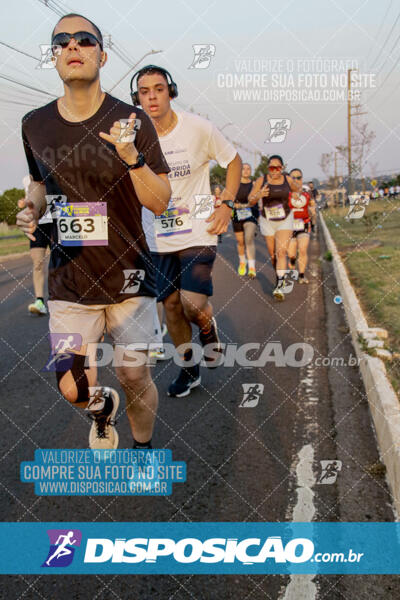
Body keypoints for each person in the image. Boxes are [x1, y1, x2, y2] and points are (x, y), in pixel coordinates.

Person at [16, 13, 171, 450]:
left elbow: (159, 200)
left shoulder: (132, 120)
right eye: (61, 41)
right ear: (54, 57)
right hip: (68, 280)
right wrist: (32, 207)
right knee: (71, 385)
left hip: (129, 276)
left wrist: (131, 159)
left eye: (83, 39)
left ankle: (142, 449)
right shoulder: (34, 125)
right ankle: (101, 408)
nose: (72, 47)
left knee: (134, 374)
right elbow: (39, 184)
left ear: (101, 55)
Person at [135, 64, 242, 397]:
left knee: (192, 304)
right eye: (144, 91)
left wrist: (227, 204)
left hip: (197, 227)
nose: (152, 97)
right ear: (137, 98)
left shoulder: (198, 128)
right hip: (156, 233)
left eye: (158, 89)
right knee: (169, 306)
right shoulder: (134, 137)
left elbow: (234, 161)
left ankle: (207, 325)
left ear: (171, 91)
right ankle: (188, 369)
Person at [249, 155, 300, 301]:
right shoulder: (261, 180)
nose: (274, 170)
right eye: (271, 167)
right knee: (273, 256)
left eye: (277, 167)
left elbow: (297, 189)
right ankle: (279, 276)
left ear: (282, 168)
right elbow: (250, 200)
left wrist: (296, 195)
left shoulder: (288, 179)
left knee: (281, 252)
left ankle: (280, 285)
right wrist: (259, 194)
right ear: (268, 169)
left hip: (285, 219)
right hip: (267, 220)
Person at [23, 179, 52, 315]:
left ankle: (64, 298)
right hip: (38, 224)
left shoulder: (55, 170)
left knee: (61, 261)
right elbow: (30, 202)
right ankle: (39, 301)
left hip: (55, 221)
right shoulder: (26, 180)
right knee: (37, 263)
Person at [231, 163, 258, 278]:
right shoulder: (235, 185)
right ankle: (243, 262)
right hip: (237, 216)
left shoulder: (254, 185)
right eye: (243, 169)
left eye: (248, 169)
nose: (246, 171)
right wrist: (233, 205)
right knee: (240, 241)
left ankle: (252, 267)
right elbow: (228, 199)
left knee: (249, 238)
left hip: (250, 215)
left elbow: (257, 198)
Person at [287, 168, 313, 284]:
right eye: (293, 178)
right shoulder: (285, 193)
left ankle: (301, 275)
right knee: (291, 254)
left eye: (299, 177)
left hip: (304, 224)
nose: (296, 180)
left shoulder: (307, 193)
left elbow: (312, 206)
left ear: (302, 179)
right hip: (289, 226)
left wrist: (312, 212)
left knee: (302, 250)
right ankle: (292, 261)